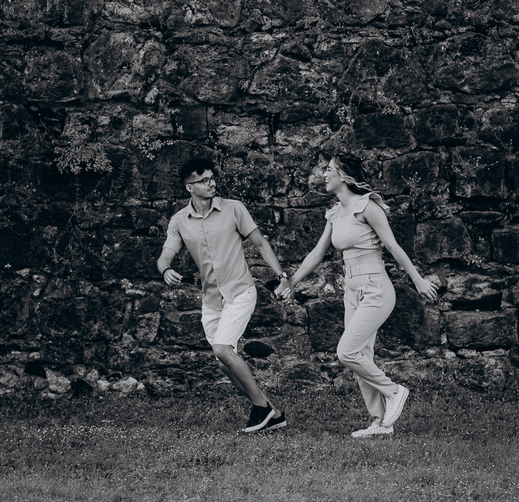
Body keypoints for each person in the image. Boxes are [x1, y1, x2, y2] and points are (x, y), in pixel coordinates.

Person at [276, 153, 439, 438]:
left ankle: (394, 391)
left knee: (346, 351)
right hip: (351, 289)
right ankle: (379, 423)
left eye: (328, 170)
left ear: (343, 175)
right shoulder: (335, 212)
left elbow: (393, 246)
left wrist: (418, 280)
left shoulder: (368, 206)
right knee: (361, 355)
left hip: (376, 287)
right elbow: (316, 254)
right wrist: (290, 282)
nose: (323, 175)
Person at [156, 157, 292, 433]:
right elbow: (165, 256)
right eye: (204, 180)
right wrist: (165, 270)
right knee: (222, 362)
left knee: (222, 349)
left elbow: (261, 243)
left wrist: (282, 276)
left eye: (212, 177)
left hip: (241, 291)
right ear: (189, 187)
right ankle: (272, 414)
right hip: (211, 300)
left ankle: (261, 409)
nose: (212, 183)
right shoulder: (180, 221)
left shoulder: (234, 209)